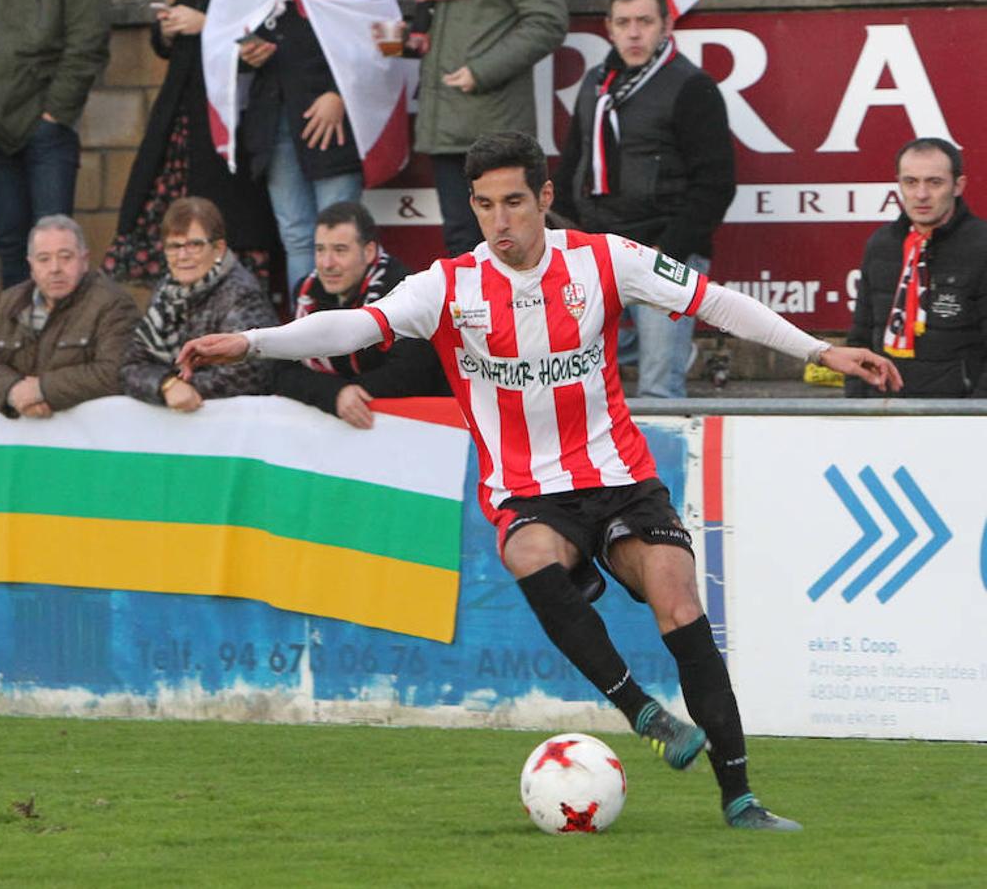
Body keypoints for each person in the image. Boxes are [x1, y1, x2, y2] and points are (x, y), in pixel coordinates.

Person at [177, 131, 902, 831]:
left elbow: (711, 301)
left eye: (515, 203)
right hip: (531, 494)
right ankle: (640, 711)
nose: (500, 222)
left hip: (619, 477)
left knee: (678, 600)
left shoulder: (605, 260)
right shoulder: (449, 286)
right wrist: (251, 341)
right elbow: (355, 328)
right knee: (526, 554)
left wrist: (820, 351)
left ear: (544, 196)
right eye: (485, 205)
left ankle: (741, 799)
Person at [553, 0, 736, 399]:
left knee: (657, 390)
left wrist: (667, 249)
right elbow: (571, 166)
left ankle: (661, 458)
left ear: (666, 25)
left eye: (645, 22)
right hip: (600, 249)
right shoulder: (595, 84)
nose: (634, 33)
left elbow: (716, 184)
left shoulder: (693, 87)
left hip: (664, 248)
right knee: (583, 373)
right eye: (623, 23)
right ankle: (671, 350)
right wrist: (562, 237)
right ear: (609, 29)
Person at [206, 0, 408, 292]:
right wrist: (246, 57)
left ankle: (350, 328)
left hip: (336, 127)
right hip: (276, 123)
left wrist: (341, 94)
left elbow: (390, 48)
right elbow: (222, 41)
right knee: (297, 237)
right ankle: (305, 325)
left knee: (342, 235)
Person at [103, 0, 276, 288]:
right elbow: (166, 45)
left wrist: (206, 24)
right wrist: (167, 30)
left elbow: (262, 46)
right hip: (179, 118)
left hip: (228, 120)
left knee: (227, 224)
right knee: (170, 221)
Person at [0, 0, 110, 289]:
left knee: (56, 245)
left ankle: (59, 331)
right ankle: (19, 332)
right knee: (10, 244)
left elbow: (88, 43)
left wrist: (55, 113)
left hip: (48, 132)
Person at [411, 0, 567, 257]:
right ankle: (475, 301)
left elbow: (548, 21)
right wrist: (407, 38)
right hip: (446, 124)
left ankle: (511, 301)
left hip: (496, 127)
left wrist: (482, 71)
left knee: (509, 241)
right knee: (462, 245)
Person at [273, 202, 449, 428]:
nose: (326, 264)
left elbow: (411, 374)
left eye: (339, 250)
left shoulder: (402, 291)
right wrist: (335, 394)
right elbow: (282, 369)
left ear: (369, 252)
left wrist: (348, 393)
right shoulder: (307, 292)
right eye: (320, 250)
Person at [846, 137, 987, 398]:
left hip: (959, 416)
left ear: (958, 185)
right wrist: (858, 405)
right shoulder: (880, 244)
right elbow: (860, 337)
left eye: (934, 182)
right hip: (884, 412)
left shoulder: (981, 245)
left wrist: (976, 416)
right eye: (910, 182)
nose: (921, 194)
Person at [0, 215, 140, 418]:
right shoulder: (11, 301)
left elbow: (115, 372)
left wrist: (42, 389)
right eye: (44, 259)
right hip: (21, 437)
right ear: (31, 266)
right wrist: (14, 391)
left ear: (84, 261)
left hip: (92, 440)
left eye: (65, 257)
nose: (55, 268)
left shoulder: (113, 304)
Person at [120, 197, 277, 412]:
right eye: (174, 246)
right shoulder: (164, 292)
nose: (183, 256)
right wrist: (166, 385)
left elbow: (245, 376)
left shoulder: (242, 293)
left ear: (219, 249)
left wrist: (180, 387)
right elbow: (131, 366)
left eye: (194, 245)